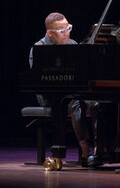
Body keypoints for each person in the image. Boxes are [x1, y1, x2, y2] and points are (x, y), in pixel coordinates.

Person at [29, 12, 95, 167]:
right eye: (62, 31)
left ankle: (100, 149)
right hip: (47, 94)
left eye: (68, 28)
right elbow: (37, 80)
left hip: (71, 91)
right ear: (50, 33)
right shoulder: (39, 48)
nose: (67, 33)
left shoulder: (73, 45)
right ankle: (85, 146)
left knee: (95, 103)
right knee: (73, 102)